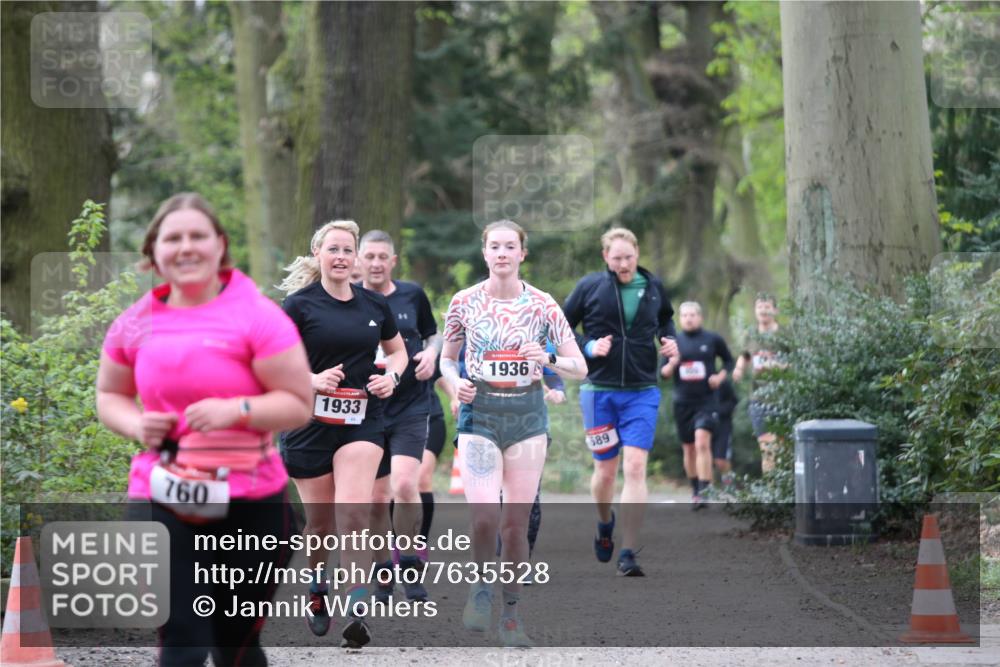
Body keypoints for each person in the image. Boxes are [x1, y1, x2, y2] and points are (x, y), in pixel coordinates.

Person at [96, 193, 314, 666]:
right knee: (183, 636)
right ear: (154, 251)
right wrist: (137, 422)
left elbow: (298, 404)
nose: (186, 247)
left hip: (251, 502)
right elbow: (110, 396)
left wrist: (236, 409)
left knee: (233, 643)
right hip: (161, 492)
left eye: (198, 236)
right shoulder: (134, 323)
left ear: (220, 246)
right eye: (173, 238)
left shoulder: (257, 316)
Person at [441, 220, 586, 647]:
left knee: (514, 525)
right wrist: (455, 383)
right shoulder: (463, 302)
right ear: (484, 253)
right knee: (484, 517)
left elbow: (580, 366)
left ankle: (510, 616)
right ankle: (480, 588)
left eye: (510, 246)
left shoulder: (542, 305)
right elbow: (447, 360)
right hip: (479, 414)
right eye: (495, 246)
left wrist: (550, 357)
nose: (502, 253)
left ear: (523, 253)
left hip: (526, 417)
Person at [277, 220, 408, 648]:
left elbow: (397, 351)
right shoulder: (298, 306)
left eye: (347, 250)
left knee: (354, 509)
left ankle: (356, 604)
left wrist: (393, 376)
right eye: (333, 249)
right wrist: (310, 380)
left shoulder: (373, 305)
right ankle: (318, 586)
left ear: (355, 257)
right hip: (307, 424)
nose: (341, 257)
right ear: (318, 253)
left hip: (361, 419)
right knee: (320, 525)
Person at [562, 227, 678, 577]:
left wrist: (670, 341)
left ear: (637, 254)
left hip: (642, 391)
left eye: (629, 257)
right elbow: (562, 328)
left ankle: (628, 551)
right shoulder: (590, 287)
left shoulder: (653, 286)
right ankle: (603, 521)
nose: (624, 264)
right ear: (605, 257)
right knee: (605, 472)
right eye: (616, 258)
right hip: (599, 392)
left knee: (636, 468)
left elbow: (665, 320)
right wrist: (588, 347)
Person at [357, 230, 440, 604]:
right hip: (367, 409)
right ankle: (382, 572)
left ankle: (408, 562)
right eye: (369, 256)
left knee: (406, 485)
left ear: (393, 261)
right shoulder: (349, 299)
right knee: (377, 498)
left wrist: (431, 354)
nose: (375, 263)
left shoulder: (412, 295)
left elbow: (433, 334)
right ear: (359, 260)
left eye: (382, 257)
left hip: (410, 404)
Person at [660, 301, 734, 509]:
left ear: (700, 317)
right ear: (680, 319)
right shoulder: (674, 343)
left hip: (707, 401)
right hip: (682, 402)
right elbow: (663, 374)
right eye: (684, 315)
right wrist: (672, 364)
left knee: (702, 442)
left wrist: (720, 377)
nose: (689, 318)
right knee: (690, 448)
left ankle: (704, 490)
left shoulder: (712, 339)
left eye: (693, 314)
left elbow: (729, 361)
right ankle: (695, 489)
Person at [732, 293, 781, 472]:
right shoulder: (751, 335)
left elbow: (797, 359)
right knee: (766, 448)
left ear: (775, 310)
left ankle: (785, 489)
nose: (763, 310)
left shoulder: (784, 334)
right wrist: (738, 369)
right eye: (760, 307)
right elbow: (744, 356)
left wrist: (778, 367)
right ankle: (771, 492)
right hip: (758, 399)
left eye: (767, 307)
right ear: (755, 311)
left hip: (782, 398)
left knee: (782, 447)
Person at [711, 378, 739, 490]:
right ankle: (707, 487)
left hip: (723, 425)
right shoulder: (697, 382)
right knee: (706, 456)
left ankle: (728, 484)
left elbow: (733, 402)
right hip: (703, 423)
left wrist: (718, 411)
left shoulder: (723, 382)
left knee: (721, 460)